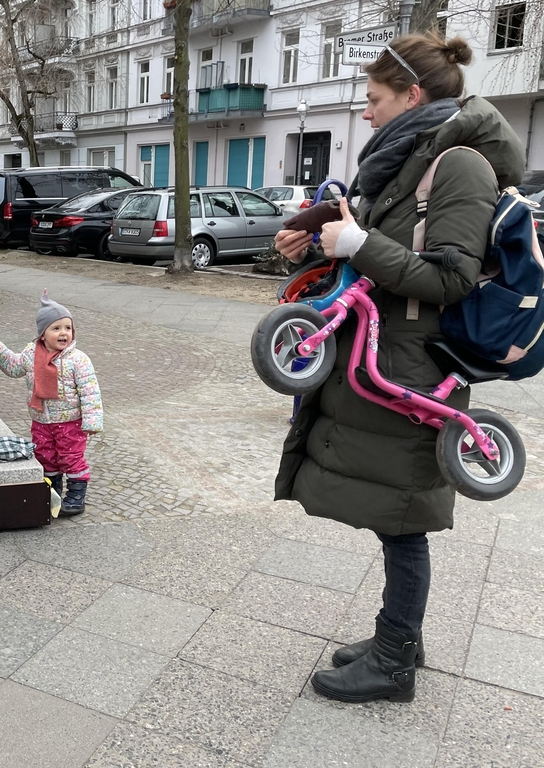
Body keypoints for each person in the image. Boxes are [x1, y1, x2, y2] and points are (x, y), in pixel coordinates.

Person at [273, 33, 524, 704]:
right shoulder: (407, 158)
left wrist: (357, 240)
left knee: (404, 517)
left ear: (413, 95)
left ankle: (393, 660)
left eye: (374, 99)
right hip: (379, 354)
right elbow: (373, 243)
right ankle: (400, 637)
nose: (365, 112)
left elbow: (450, 277)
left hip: (416, 370)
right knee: (394, 513)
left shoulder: (460, 164)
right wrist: (314, 235)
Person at [0, 291, 103, 516]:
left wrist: (92, 420)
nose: (63, 333)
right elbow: (14, 366)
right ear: (43, 334)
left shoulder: (77, 359)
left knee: (71, 458)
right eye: (56, 328)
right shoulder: (32, 354)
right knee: (45, 457)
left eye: (67, 328)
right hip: (41, 420)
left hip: (71, 422)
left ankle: (76, 496)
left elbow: (90, 392)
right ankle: (52, 493)